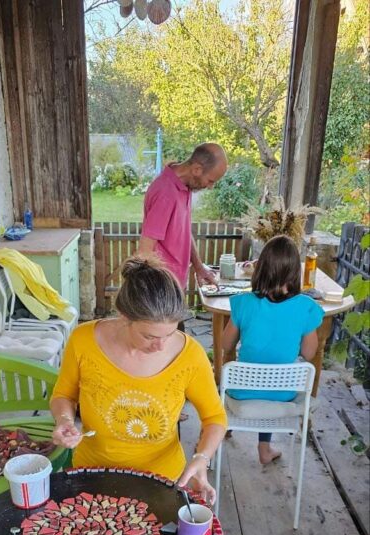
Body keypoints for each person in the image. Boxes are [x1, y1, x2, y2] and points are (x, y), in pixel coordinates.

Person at [50, 256, 227, 504]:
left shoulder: (191, 356)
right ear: (124, 316)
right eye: (149, 336)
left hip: (161, 481)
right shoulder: (83, 340)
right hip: (93, 475)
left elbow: (215, 418)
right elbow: (63, 395)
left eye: (170, 333)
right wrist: (65, 420)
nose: (160, 346)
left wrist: (201, 458)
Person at [221, 234, 324, 465]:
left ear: (261, 268)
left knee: (255, 376)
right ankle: (264, 448)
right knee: (272, 377)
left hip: (241, 391)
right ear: (295, 272)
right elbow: (309, 354)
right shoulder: (306, 307)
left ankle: (216, 436)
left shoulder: (243, 303)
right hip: (283, 394)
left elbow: (226, 345)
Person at [138, 143, 228, 290]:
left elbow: (183, 232)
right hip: (162, 289)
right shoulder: (165, 192)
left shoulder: (184, 186)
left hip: (175, 285)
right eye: (210, 181)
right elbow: (145, 250)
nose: (210, 186)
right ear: (197, 169)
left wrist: (199, 267)